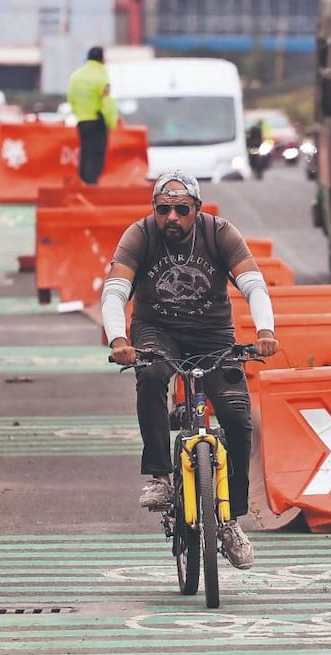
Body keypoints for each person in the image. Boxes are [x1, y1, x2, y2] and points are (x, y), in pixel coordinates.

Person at [101, 171, 279, 570]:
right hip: (156, 331)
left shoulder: (220, 234)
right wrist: (118, 341)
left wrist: (265, 332)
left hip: (212, 335)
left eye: (182, 209)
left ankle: (230, 520)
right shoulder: (140, 235)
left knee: (237, 415)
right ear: (154, 210)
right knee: (151, 376)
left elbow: (253, 284)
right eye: (163, 209)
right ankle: (160, 477)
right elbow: (115, 290)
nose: (172, 217)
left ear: (197, 209)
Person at [66, 46, 117, 185]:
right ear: (102, 58)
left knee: (85, 152)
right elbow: (107, 101)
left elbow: (71, 98)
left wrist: (78, 114)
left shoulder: (76, 76)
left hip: (82, 121)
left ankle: (83, 181)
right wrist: (111, 122)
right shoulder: (102, 76)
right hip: (97, 120)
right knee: (97, 154)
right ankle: (92, 183)